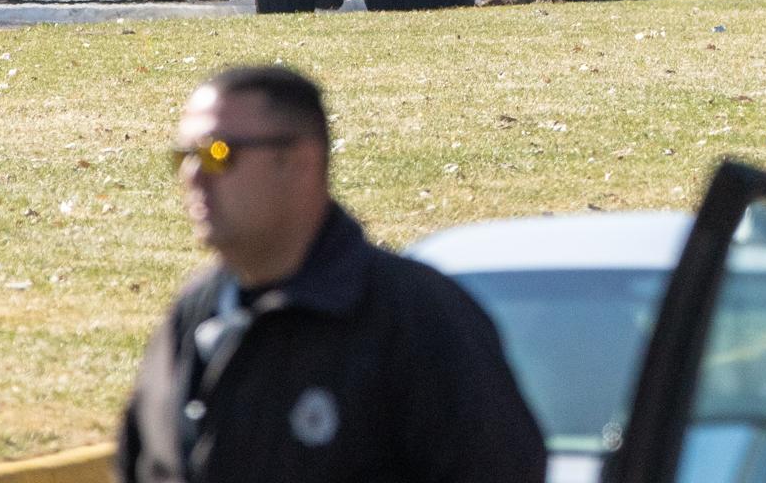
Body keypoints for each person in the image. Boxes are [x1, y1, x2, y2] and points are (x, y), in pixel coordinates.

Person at [116, 65, 545, 483]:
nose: (194, 176)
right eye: (184, 156)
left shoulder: (416, 321)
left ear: (300, 162)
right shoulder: (191, 320)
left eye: (217, 153)